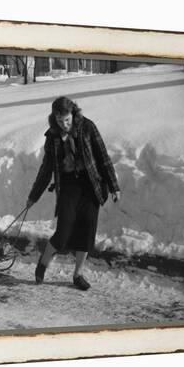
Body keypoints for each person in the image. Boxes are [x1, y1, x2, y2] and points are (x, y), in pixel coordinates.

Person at [26, 96, 120, 290]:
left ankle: (78, 274)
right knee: (63, 232)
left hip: (91, 185)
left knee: (87, 230)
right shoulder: (52, 136)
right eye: (60, 121)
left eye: (67, 120)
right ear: (55, 118)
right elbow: (46, 169)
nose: (64, 124)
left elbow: (102, 157)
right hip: (68, 186)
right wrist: (33, 196)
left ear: (73, 113)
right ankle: (43, 262)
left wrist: (113, 186)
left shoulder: (88, 127)